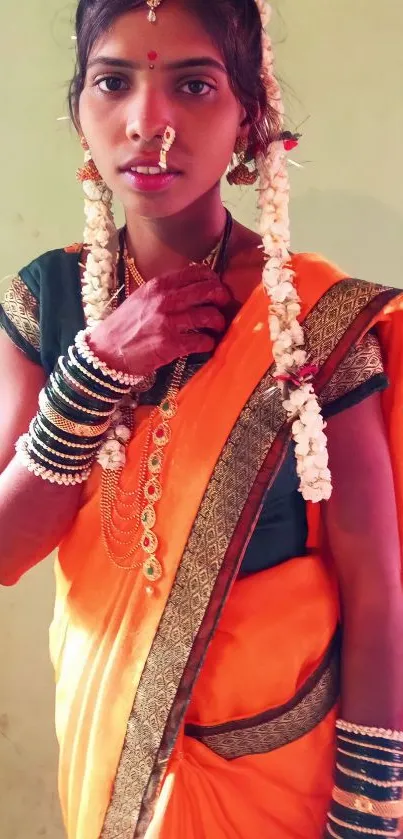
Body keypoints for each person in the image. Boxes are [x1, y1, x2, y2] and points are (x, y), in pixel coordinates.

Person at [1, 0, 403, 837]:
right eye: (114, 81)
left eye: (193, 84)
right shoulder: (46, 304)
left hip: (280, 771)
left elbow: (376, 590)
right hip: (106, 756)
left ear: (250, 117)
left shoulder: (315, 320)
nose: (150, 122)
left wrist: (368, 810)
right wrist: (98, 370)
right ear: (81, 110)